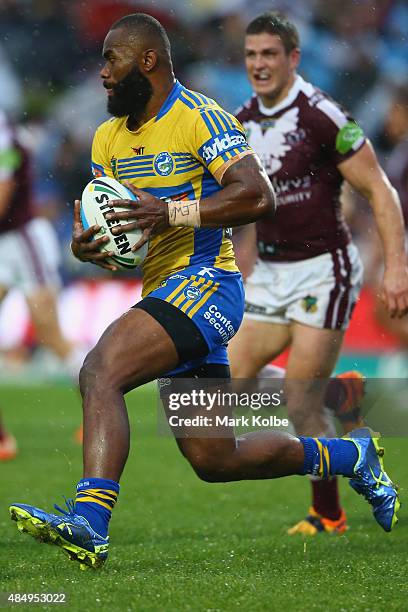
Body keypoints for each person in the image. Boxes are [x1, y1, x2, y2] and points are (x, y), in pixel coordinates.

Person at [9, 13, 399, 570]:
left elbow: (257, 196)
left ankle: (89, 522)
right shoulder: (107, 137)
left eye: (111, 60)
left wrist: (170, 210)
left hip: (209, 286)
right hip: (165, 289)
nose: (102, 74)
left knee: (100, 371)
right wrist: (92, 247)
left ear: (148, 61)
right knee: (214, 458)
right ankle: (349, 454)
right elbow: (124, 229)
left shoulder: (199, 117)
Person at [228, 12, 408, 535]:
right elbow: (247, 204)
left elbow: (380, 189)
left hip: (323, 269)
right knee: (221, 386)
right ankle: (340, 397)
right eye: (251, 55)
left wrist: (397, 267)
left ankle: (328, 512)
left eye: (270, 54)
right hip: (272, 270)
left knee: (298, 403)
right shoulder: (241, 120)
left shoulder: (321, 115)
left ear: (293, 58)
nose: (259, 64)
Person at [0, 109, 83, 382]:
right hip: (7, 239)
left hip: (21, 240)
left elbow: (2, 200)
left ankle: (101, 399)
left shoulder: (4, 137)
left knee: (49, 333)